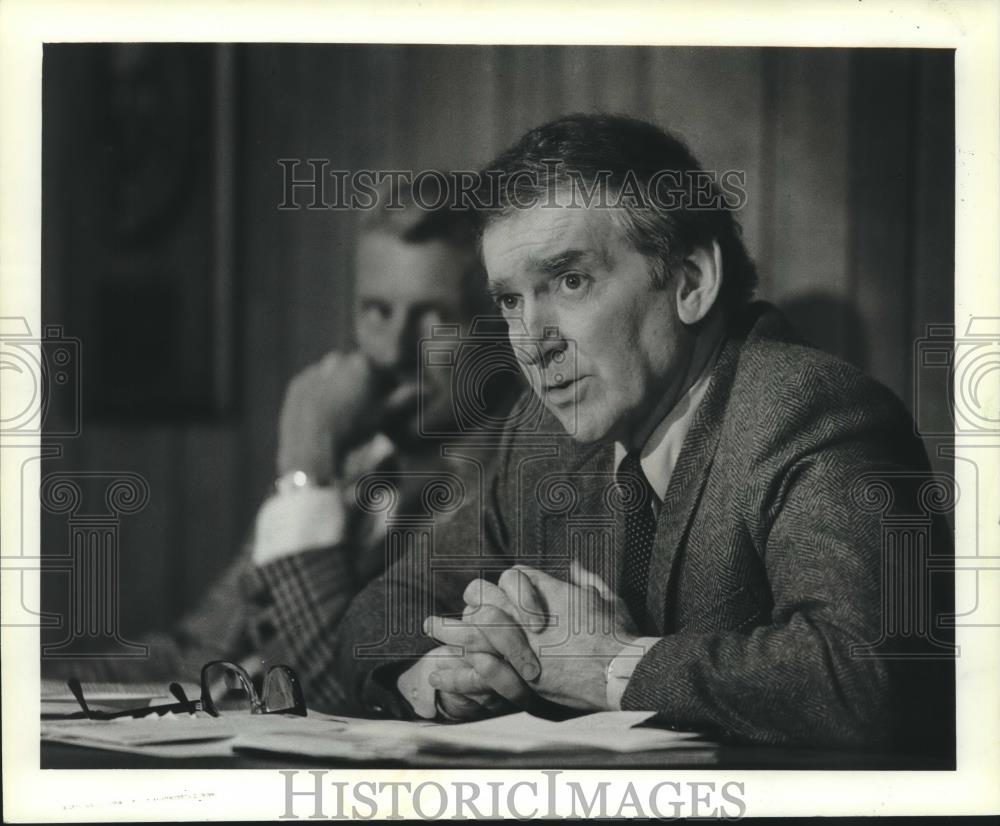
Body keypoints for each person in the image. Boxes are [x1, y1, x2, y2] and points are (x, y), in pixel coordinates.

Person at [327, 114, 954, 755]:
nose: (531, 345)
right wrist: (442, 674)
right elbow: (378, 615)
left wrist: (614, 668)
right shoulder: (539, 435)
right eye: (511, 302)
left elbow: (865, 678)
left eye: (571, 282)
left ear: (690, 282)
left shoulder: (814, 412)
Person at [43, 179, 520, 711]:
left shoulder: (513, 491)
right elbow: (195, 656)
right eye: (377, 312)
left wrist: (304, 469)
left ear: (499, 326)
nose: (393, 352)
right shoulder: (359, 462)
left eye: (436, 318)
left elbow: (346, 693)